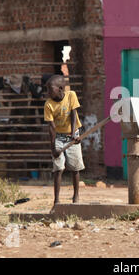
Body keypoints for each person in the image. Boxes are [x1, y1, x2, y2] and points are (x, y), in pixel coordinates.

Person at [44, 75, 84, 207]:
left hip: (73, 134)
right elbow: (51, 127)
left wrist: (74, 135)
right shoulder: (49, 104)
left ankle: (76, 196)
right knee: (58, 168)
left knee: (75, 167)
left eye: (50, 89)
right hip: (59, 137)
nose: (48, 93)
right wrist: (53, 148)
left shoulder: (71, 95)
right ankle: (56, 200)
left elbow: (73, 115)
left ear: (61, 88)